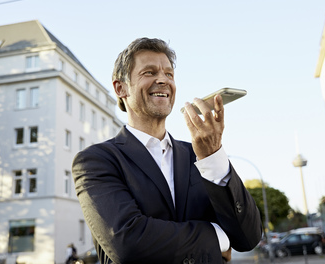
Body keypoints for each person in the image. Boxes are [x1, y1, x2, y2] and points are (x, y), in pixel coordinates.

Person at [72, 38, 262, 264]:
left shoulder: (201, 155)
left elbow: (248, 237)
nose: (162, 80)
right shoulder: (96, 161)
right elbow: (128, 242)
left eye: (169, 74)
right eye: (149, 72)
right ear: (120, 88)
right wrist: (218, 237)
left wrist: (214, 157)